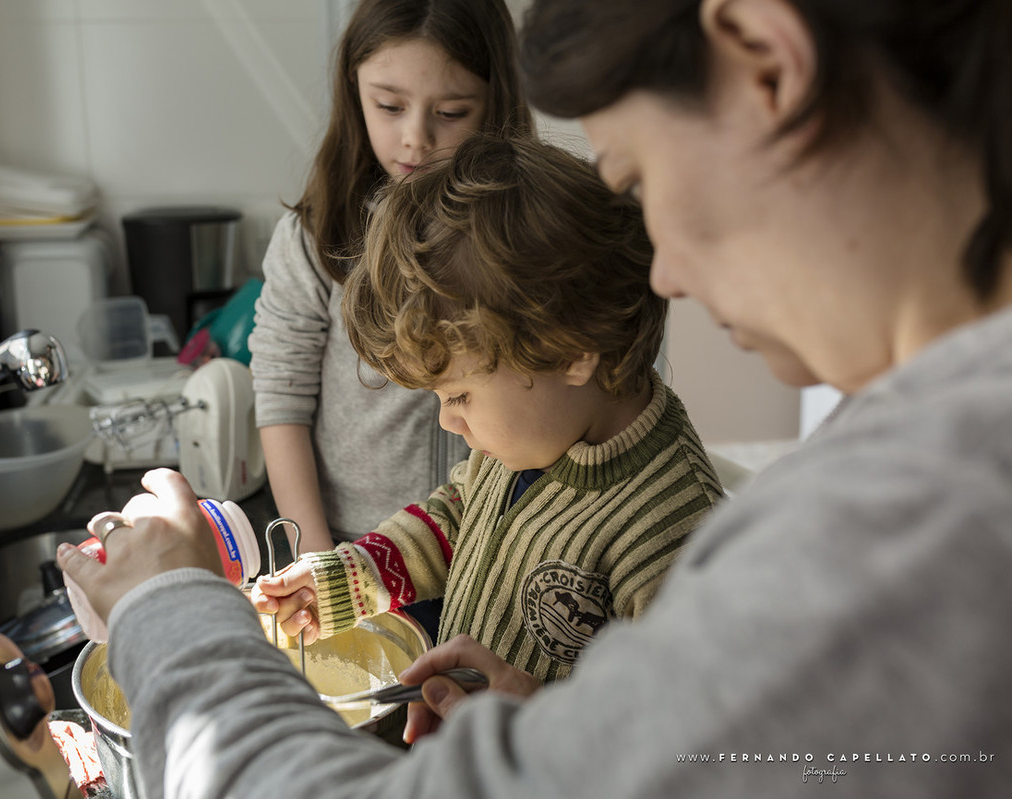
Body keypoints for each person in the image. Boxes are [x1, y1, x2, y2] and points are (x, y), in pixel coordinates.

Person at [57, 0, 1012, 795]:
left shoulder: (925, 527)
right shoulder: (912, 450)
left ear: (767, 64)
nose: (666, 273)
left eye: (639, 178)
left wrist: (167, 605)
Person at [249, 133, 722, 688]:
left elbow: (676, 726)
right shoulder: (536, 436)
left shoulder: (673, 535)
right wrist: (348, 578)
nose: (449, 420)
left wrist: (529, 716)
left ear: (569, 351)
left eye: (459, 395)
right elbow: (458, 518)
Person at [248, 0, 534, 556]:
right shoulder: (315, 235)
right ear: (354, 91)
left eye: (451, 112)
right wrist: (318, 557)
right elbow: (282, 400)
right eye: (389, 105)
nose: (416, 138)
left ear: (495, 103)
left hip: (497, 541)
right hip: (354, 541)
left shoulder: (524, 233)